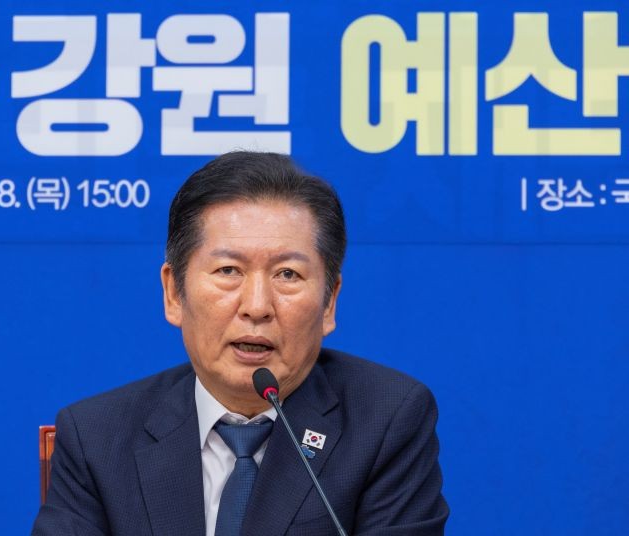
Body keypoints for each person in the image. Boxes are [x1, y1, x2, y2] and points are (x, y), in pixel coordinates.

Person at [32, 151, 449, 535]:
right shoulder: (97, 438)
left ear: (329, 303)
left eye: (288, 274)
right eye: (229, 270)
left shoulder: (385, 422)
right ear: (174, 293)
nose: (257, 306)